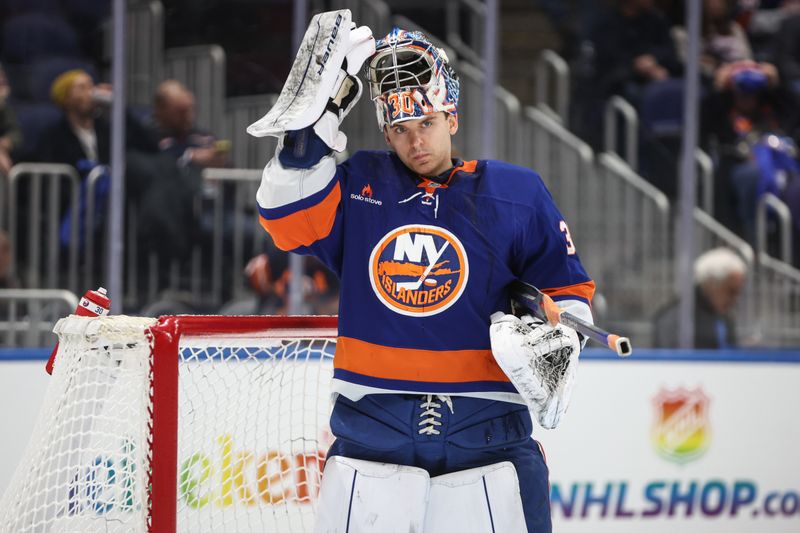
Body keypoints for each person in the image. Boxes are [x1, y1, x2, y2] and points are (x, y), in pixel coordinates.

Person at [251, 14, 594, 533]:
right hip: (374, 431)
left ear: (451, 119)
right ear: (387, 132)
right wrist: (310, 132)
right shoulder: (361, 185)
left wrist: (555, 337)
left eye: (427, 124)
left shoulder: (516, 193)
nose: (416, 143)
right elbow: (285, 220)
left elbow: (567, 294)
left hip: (486, 437)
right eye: (401, 130)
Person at [653, 247, 747, 348]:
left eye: (738, 292)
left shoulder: (724, 317)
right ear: (711, 284)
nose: (735, 299)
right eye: (731, 291)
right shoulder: (677, 319)